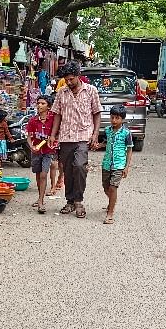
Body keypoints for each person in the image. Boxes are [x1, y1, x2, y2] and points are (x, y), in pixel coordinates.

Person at [47, 60, 102, 219]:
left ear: (79, 76)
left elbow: (97, 113)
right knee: (68, 171)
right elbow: (57, 114)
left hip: (83, 136)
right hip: (65, 137)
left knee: (79, 166)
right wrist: (52, 134)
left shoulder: (91, 91)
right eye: (66, 80)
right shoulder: (61, 92)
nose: (69, 82)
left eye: (71, 79)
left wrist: (95, 134)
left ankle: (78, 201)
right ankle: (70, 201)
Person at [95, 105, 134, 225]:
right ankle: (112, 200)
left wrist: (126, 167)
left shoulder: (126, 133)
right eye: (112, 117)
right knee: (106, 187)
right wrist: (99, 145)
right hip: (107, 163)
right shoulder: (107, 130)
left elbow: (129, 150)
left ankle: (110, 213)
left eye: (117, 118)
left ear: (122, 119)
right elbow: (106, 142)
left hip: (119, 165)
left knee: (113, 187)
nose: (114, 120)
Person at [26, 95, 58, 213]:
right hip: (36, 151)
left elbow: (57, 134)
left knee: (44, 174)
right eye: (38, 103)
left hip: (48, 151)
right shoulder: (33, 121)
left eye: (43, 103)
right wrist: (31, 147)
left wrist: (53, 140)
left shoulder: (53, 120)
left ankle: (40, 201)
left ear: (48, 107)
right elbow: (29, 137)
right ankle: (41, 197)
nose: (39, 105)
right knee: (38, 175)